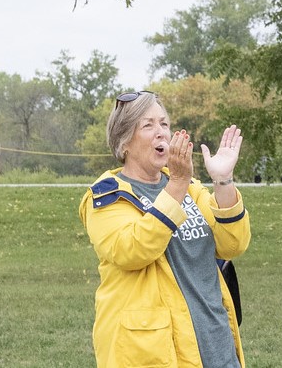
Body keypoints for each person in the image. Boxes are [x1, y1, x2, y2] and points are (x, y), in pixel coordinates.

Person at [80, 91, 250, 368]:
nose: (161, 133)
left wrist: (223, 181)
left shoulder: (191, 188)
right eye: (148, 125)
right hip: (155, 353)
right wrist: (177, 184)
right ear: (124, 142)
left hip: (217, 344)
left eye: (164, 124)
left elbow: (233, 245)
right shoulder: (107, 196)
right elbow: (131, 251)